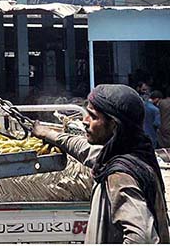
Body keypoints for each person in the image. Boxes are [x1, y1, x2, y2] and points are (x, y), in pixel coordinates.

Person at [32, 84, 170, 243]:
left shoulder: (120, 176)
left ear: (114, 125)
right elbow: (83, 149)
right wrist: (47, 133)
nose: (85, 121)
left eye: (93, 116)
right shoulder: (129, 154)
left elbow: (143, 239)